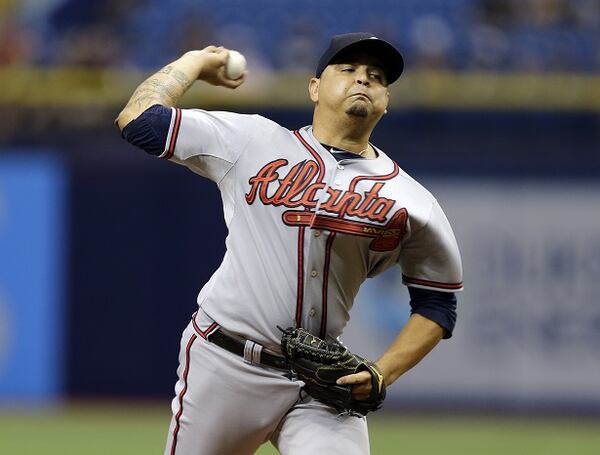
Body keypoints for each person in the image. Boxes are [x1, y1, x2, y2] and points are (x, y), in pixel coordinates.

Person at [116, 32, 463, 455]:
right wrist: (191, 63)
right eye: (348, 69)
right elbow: (138, 120)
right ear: (314, 88)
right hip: (226, 363)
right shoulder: (253, 141)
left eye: (376, 77)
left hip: (322, 383)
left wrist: (382, 373)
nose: (363, 80)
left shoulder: (412, 200)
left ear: (386, 101)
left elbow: (437, 303)